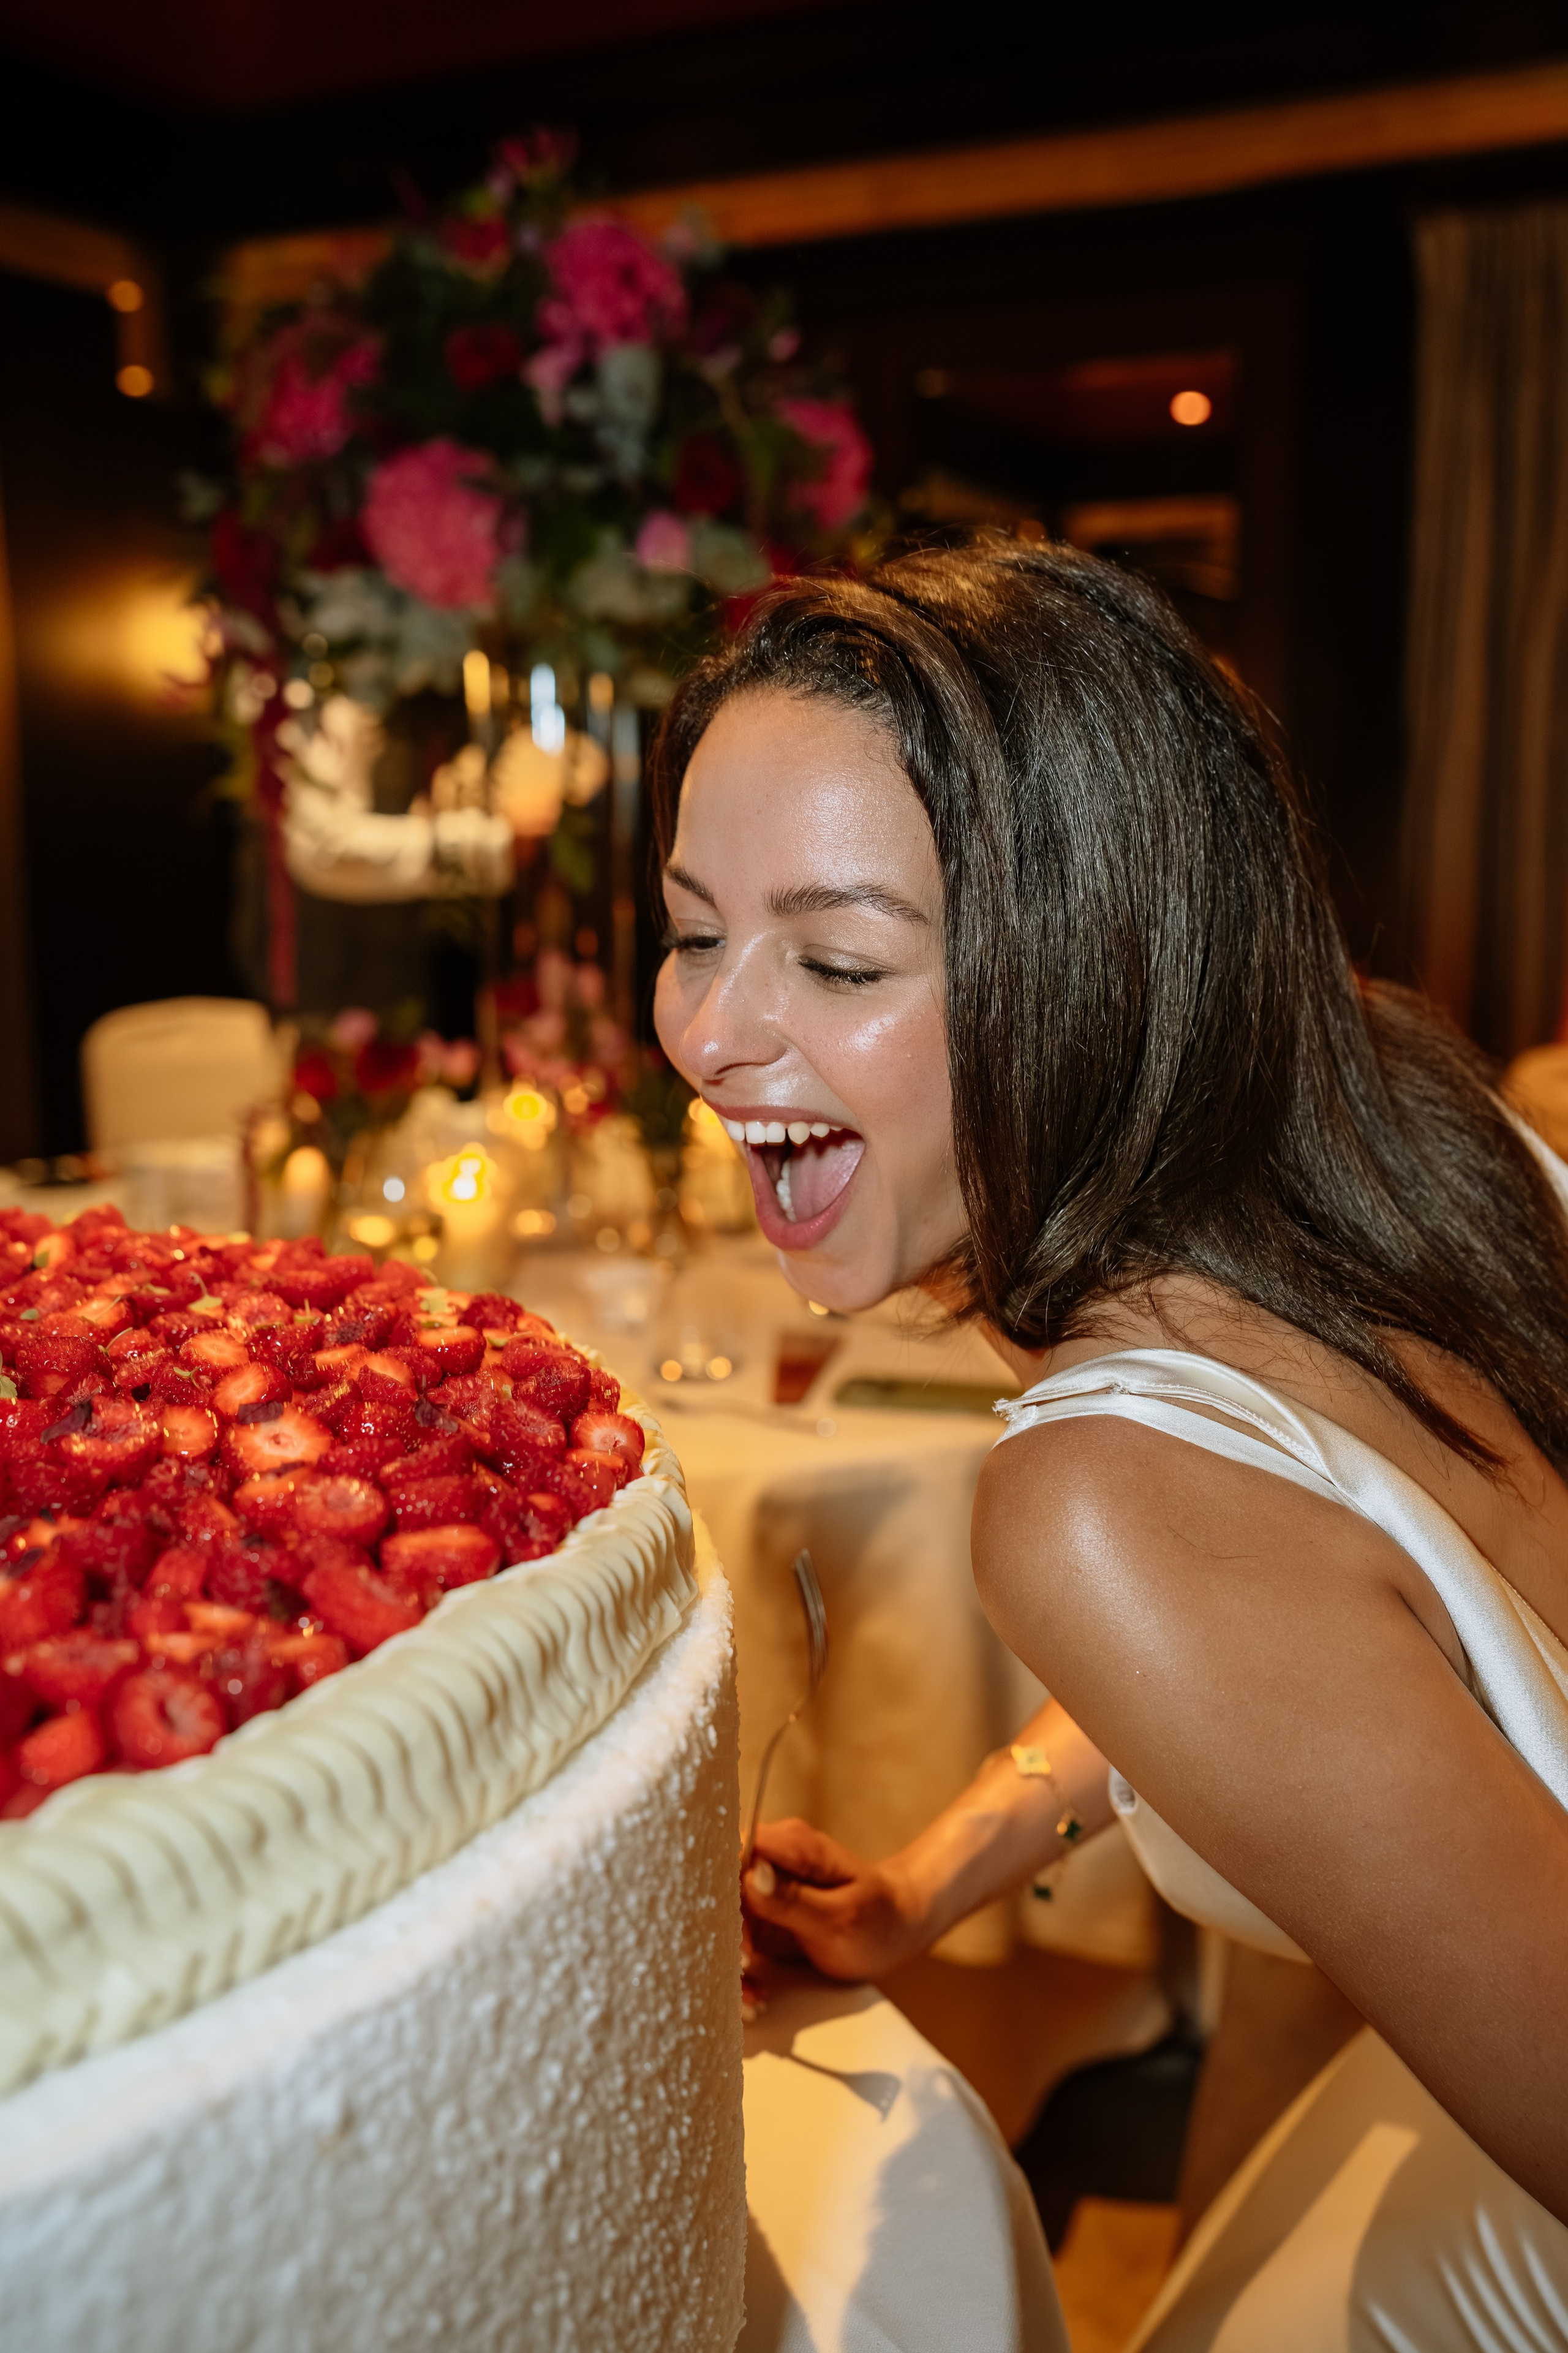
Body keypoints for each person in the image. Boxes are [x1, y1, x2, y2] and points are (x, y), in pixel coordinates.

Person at [649, 532, 1568, 2348]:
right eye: (693, 931)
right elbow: (1325, 1617)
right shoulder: (1399, 1104)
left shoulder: (1092, 1500)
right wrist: (943, 1872)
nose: (705, 1029)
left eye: (834, 960)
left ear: (1094, 958)